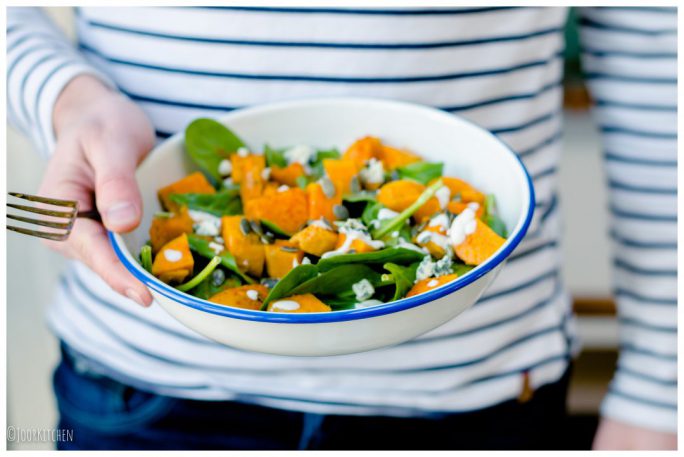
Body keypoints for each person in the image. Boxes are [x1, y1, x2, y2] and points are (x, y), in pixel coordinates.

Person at [7, 6, 676, 450]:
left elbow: (656, 34)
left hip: (475, 392)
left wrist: (659, 397)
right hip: (142, 388)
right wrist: (68, 99)